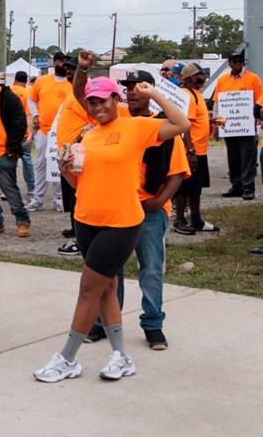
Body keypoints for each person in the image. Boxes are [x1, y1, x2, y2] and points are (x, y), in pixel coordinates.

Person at [33, 52, 189, 383]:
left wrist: (153, 93)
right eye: (92, 102)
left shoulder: (134, 127)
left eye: (103, 100)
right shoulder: (88, 136)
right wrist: (67, 169)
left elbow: (181, 124)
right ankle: (121, 356)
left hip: (121, 222)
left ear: (115, 100)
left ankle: (67, 358)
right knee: (106, 289)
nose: (98, 107)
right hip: (86, 219)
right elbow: (82, 181)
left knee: (88, 288)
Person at [80, 69, 188, 352]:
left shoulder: (151, 128)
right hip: (117, 210)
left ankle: (153, 324)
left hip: (149, 209)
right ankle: (105, 322)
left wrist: (158, 201)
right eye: (127, 88)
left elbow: (178, 171)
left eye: (137, 88)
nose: (132, 92)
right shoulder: (110, 128)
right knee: (110, 271)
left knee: (150, 270)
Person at [212, 51, 262, 201]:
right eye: (234, 62)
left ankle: (248, 188)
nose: (238, 64)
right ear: (229, 64)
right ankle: (236, 186)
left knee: (248, 156)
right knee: (232, 157)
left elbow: (259, 100)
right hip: (229, 125)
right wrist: (217, 125)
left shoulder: (253, 78)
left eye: (240, 62)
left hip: (246, 124)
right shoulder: (222, 80)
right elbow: (217, 103)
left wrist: (257, 116)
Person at [173, 63, 216, 234]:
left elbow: (196, 120)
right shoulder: (187, 95)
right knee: (186, 186)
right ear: (190, 77)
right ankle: (179, 220)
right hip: (192, 151)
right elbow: (185, 126)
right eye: (200, 74)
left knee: (196, 187)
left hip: (200, 150)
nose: (204, 77)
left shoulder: (195, 93)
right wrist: (190, 151)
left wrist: (210, 122)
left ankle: (196, 219)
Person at [0, 80, 30, 237]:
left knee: (9, 189)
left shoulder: (7, 97)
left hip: (3, 153)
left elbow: (19, 122)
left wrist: (11, 146)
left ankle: (22, 221)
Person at [28, 52, 72, 211]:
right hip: (45, 131)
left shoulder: (73, 83)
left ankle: (59, 200)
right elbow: (31, 99)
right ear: (54, 62)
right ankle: (37, 199)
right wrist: (35, 115)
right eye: (61, 60)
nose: (64, 63)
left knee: (60, 166)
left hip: (65, 134)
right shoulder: (42, 80)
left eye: (67, 61)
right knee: (41, 164)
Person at [9, 71, 35, 191]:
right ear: (26, 81)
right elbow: (29, 115)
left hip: (9, 134)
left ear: (15, 79)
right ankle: (31, 186)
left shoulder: (8, 91)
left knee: (10, 160)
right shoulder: (28, 93)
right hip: (24, 132)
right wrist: (30, 133)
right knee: (27, 159)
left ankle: (9, 187)